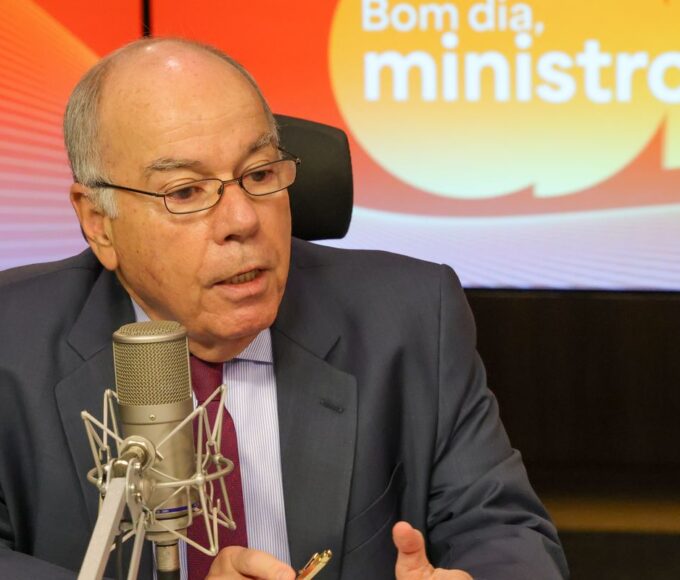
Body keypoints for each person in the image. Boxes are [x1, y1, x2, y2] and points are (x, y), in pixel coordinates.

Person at [0, 38, 568, 579]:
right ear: (99, 222)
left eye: (260, 174)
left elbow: (502, 529)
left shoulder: (410, 316)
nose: (243, 220)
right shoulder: (12, 341)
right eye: (186, 192)